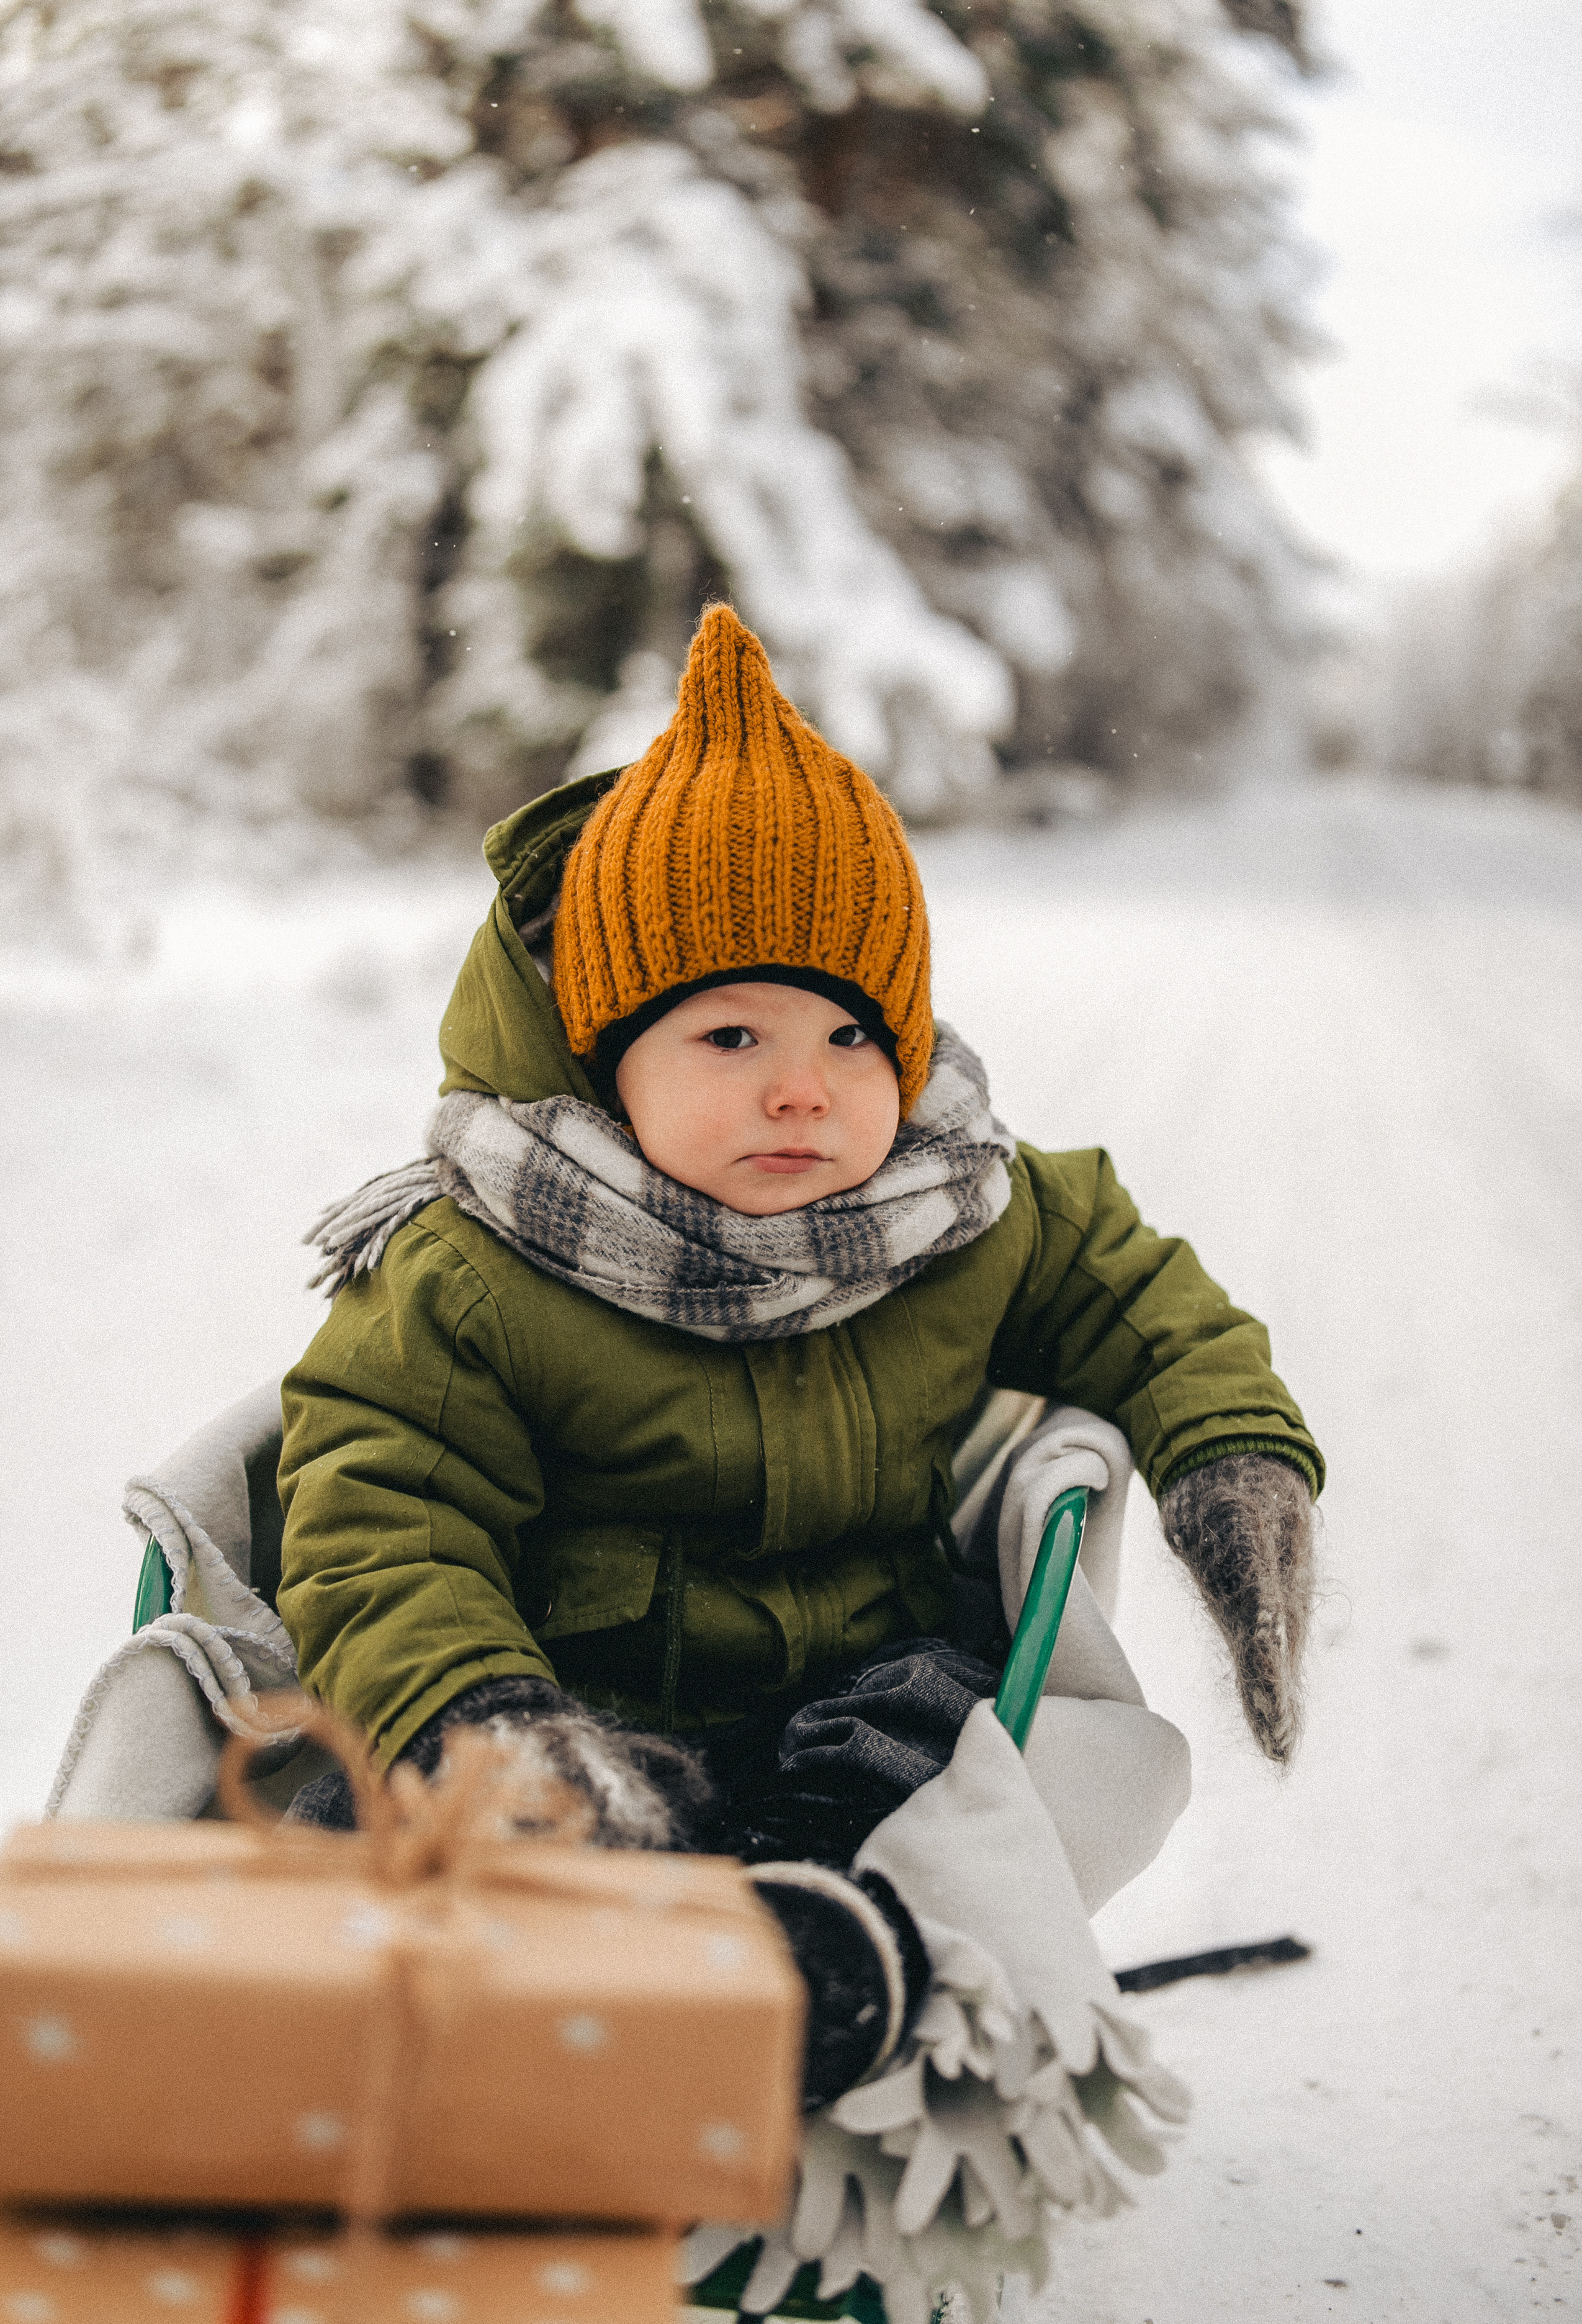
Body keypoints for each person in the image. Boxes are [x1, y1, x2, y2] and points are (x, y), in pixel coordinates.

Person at [278, 603, 1323, 2110]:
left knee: (948, 1736)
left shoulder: (964, 1211)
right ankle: (501, 1965)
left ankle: (832, 1952)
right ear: (600, 1053)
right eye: (726, 1040)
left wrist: (1233, 1457)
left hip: (845, 1698)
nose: (802, 1094)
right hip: (576, 1699)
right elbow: (382, 1512)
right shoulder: (475, 1265)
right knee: (354, 1796)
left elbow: (1144, 1302)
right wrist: (485, 1718)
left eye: (849, 1040)